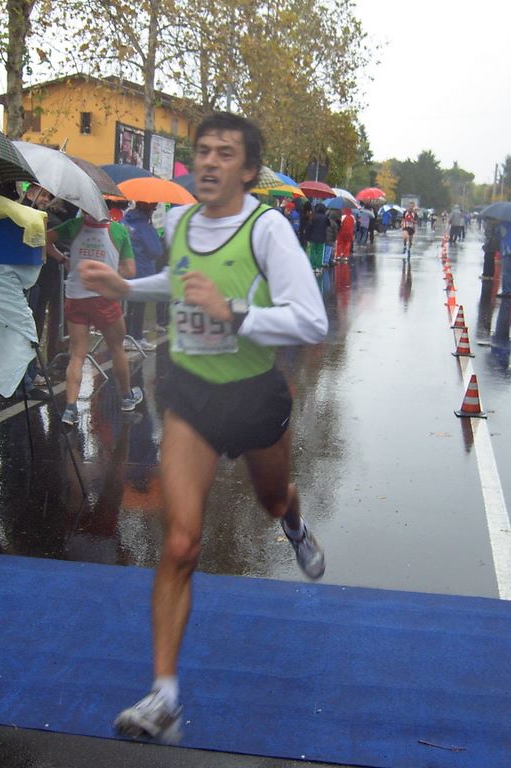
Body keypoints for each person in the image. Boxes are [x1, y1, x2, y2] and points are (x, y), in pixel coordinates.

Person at [79, 112, 328, 742]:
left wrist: (234, 311)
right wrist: (126, 286)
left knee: (273, 499)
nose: (211, 162)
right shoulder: (178, 221)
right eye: (204, 151)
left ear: (248, 170)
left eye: (226, 153)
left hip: (253, 394)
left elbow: (311, 320)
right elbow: (180, 282)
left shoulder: (267, 230)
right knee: (181, 543)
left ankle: (294, 523)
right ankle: (163, 697)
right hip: (190, 393)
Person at [49, 211, 141, 426]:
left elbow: (44, 239)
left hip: (75, 296)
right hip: (104, 297)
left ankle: (70, 409)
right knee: (117, 348)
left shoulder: (74, 225)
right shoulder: (118, 230)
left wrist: (63, 259)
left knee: (77, 354)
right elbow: (130, 270)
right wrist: (110, 271)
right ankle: (127, 397)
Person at [122, 201, 165, 352]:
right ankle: (136, 338)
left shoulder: (125, 221)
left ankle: (126, 337)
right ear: (148, 209)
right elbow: (156, 251)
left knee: (128, 306)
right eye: (154, 207)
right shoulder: (144, 227)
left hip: (125, 270)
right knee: (139, 306)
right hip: (142, 272)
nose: (154, 210)